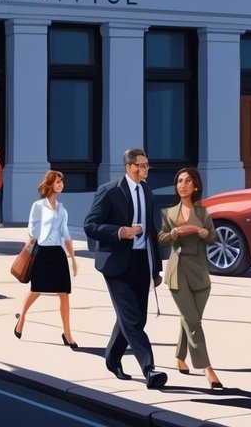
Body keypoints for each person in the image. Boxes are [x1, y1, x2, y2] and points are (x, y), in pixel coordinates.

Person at [83, 147, 167, 390]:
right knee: (131, 318)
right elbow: (91, 225)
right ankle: (149, 369)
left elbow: (151, 231)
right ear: (130, 167)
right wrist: (120, 232)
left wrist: (156, 269)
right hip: (116, 263)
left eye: (147, 165)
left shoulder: (147, 191)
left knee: (135, 317)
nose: (146, 169)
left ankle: (111, 357)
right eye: (142, 165)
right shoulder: (109, 191)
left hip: (142, 262)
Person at [159, 167, 223, 389]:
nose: (182, 185)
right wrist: (175, 233)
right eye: (179, 181)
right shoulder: (168, 213)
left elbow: (214, 237)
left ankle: (179, 356)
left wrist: (203, 233)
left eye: (187, 181)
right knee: (193, 322)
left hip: (200, 274)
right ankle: (207, 368)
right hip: (177, 272)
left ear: (195, 186)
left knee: (191, 319)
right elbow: (162, 238)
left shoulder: (204, 214)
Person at [14, 170, 79, 347]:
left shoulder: (62, 208)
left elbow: (66, 234)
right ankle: (22, 318)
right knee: (36, 289)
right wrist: (28, 245)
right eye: (57, 182)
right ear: (49, 184)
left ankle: (67, 333)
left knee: (64, 294)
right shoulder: (38, 206)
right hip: (42, 252)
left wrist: (72, 258)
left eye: (62, 182)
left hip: (58, 254)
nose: (61, 185)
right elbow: (32, 231)